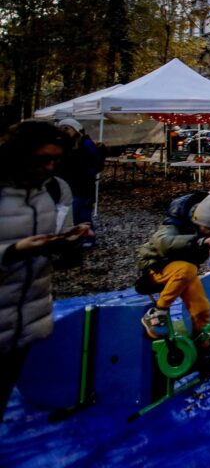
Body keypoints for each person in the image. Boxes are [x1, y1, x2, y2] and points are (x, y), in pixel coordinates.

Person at [0, 120, 91, 417]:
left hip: (25, 318)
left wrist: (67, 240)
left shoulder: (51, 190)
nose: (50, 166)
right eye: (42, 159)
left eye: (56, 159)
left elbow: (50, 237)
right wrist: (12, 251)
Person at [134, 186, 210, 356]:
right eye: (208, 228)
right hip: (155, 267)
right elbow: (162, 243)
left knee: (202, 308)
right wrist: (200, 241)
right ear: (197, 220)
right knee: (188, 269)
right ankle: (157, 313)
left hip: (184, 272)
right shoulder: (176, 222)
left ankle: (202, 345)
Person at [55, 118, 103, 247]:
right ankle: (76, 237)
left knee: (81, 212)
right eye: (62, 128)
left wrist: (84, 172)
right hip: (68, 183)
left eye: (67, 128)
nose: (64, 131)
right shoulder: (64, 144)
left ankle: (87, 238)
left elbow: (97, 163)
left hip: (83, 184)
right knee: (72, 212)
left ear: (75, 129)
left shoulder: (86, 143)